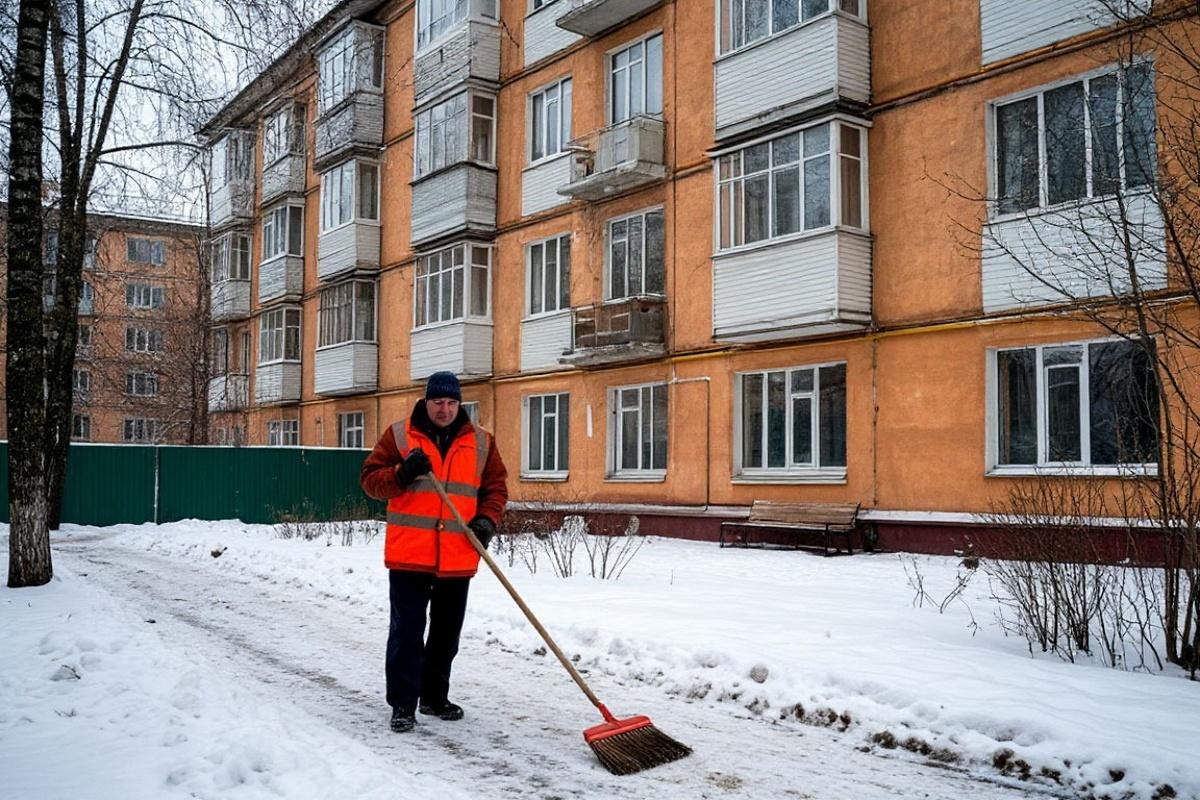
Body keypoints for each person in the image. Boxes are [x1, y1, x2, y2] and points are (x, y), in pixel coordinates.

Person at [360, 371, 508, 733]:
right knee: (407, 632)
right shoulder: (399, 435)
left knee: (446, 634)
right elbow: (371, 482)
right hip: (410, 555)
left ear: (460, 404)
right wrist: (402, 472)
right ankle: (403, 705)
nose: (444, 409)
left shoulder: (482, 442)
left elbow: (495, 489)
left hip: (457, 555)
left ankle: (433, 697)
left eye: (451, 402)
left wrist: (487, 521)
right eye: (438, 402)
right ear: (426, 401)